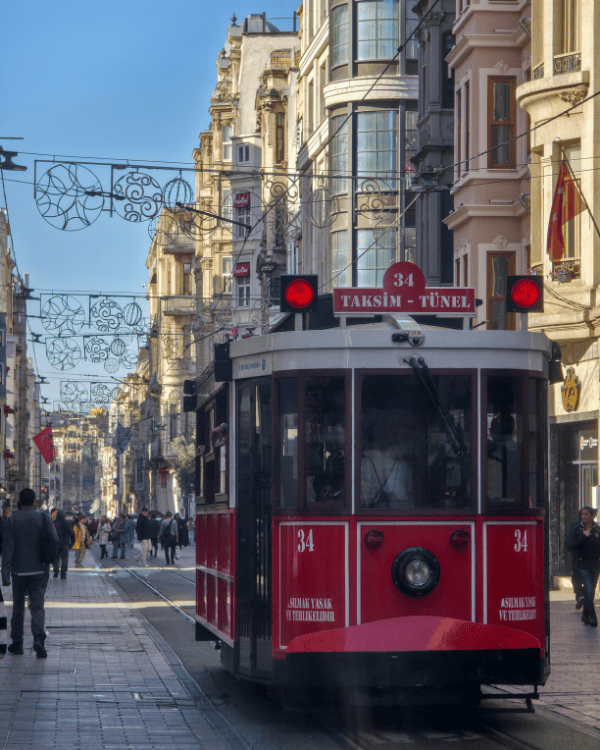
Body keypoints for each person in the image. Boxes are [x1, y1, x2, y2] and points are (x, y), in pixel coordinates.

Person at [1, 488, 56, 658]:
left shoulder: (11, 520)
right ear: (33, 501)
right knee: (38, 607)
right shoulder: (43, 518)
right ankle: (39, 639)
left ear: (20, 501)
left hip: (19, 572)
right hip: (39, 570)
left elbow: (8, 549)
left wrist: (5, 574)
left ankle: (17, 643)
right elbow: (53, 539)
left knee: (18, 608)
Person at [567, 506, 600, 626]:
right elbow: (570, 546)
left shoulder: (597, 529)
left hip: (595, 566)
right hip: (582, 566)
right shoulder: (577, 530)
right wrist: (583, 537)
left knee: (589, 592)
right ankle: (593, 617)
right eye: (582, 514)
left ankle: (585, 616)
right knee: (590, 592)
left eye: (586, 514)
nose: (584, 516)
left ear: (591, 516)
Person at [565, 513, 586, 610]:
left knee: (576, 577)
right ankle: (585, 596)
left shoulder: (575, 526)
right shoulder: (594, 526)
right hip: (591, 559)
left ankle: (580, 595)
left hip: (577, 557)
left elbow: (567, 541)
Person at [52, 508, 74, 579]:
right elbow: (72, 533)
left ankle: (56, 570)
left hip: (56, 544)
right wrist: (72, 542)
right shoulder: (68, 522)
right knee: (64, 558)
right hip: (65, 543)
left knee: (55, 558)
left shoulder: (54, 522)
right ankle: (63, 574)